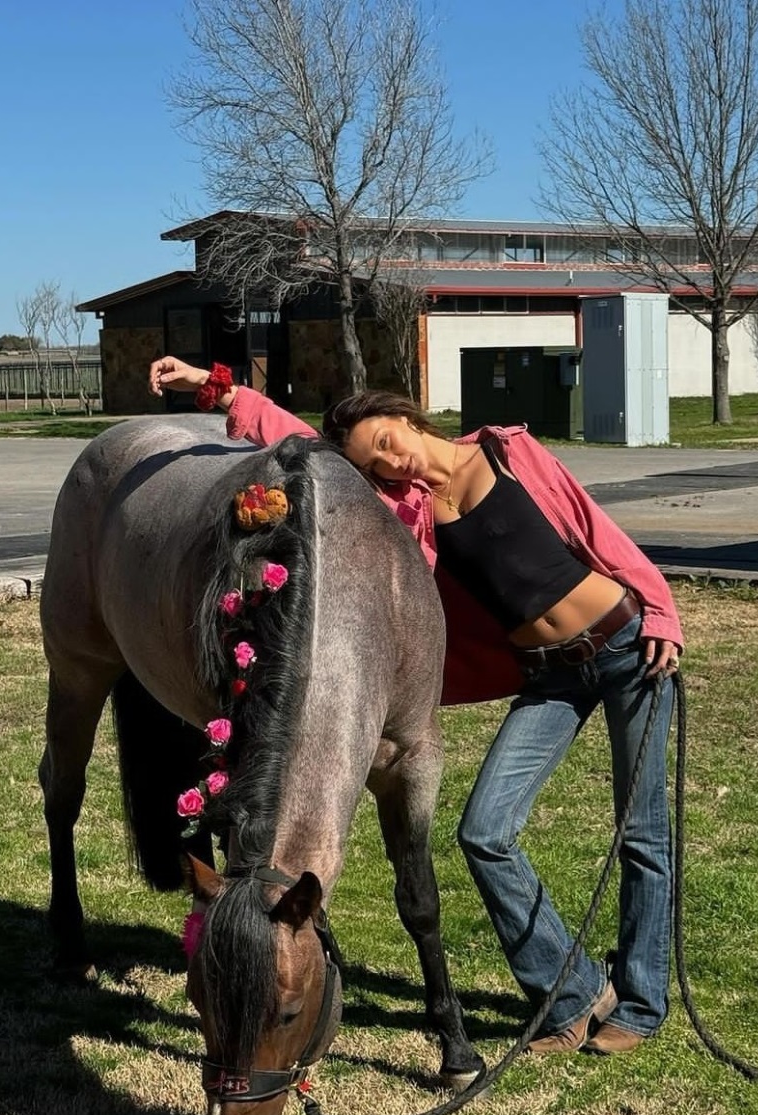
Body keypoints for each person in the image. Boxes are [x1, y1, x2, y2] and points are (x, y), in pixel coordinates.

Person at [148, 357, 683, 1056]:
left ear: (404, 417)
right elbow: (300, 441)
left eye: (387, 441)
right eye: (376, 463)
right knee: (485, 832)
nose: (392, 461)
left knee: (639, 833)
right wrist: (218, 390)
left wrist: (662, 613)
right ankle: (574, 992)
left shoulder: (510, 452)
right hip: (550, 677)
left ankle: (640, 1003)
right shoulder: (410, 511)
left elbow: (594, 530)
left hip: (627, 647)